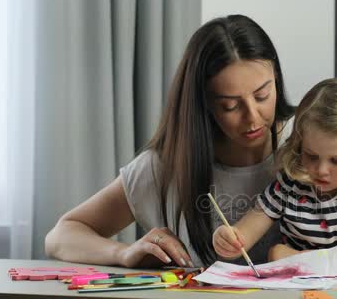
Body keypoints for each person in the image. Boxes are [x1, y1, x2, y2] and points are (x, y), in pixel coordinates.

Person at [45, 14, 294, 268]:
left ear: (276, 78)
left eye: (262, 95)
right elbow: (61, 235)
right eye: (230, 106)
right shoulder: (164, 167)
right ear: (204, 103)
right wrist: (123, 253)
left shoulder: (310, 147)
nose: (252, 117)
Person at [212, 78, 337, 266]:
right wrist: (229, 240)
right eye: (311, 156)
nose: (321, 170)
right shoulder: (290, 185)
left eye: (336, 161)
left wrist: (291, 257)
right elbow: (244, 234)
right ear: (299, 145)